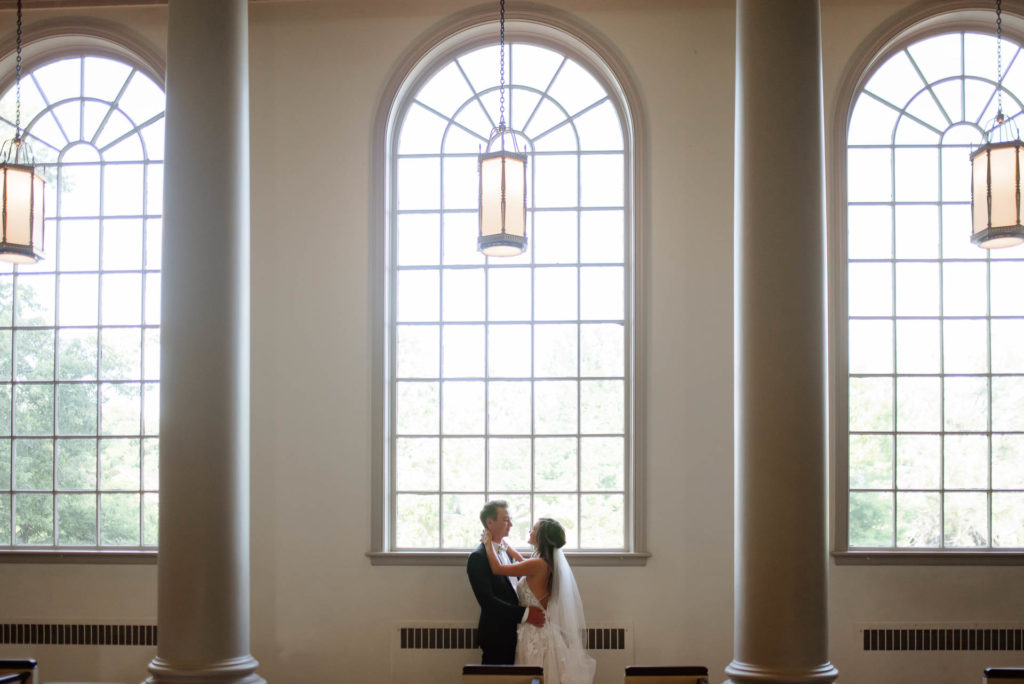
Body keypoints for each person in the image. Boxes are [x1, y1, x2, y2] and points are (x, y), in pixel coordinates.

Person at [483, 517, 597, 684]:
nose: (530, 531)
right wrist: (506, 547)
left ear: (541, 537)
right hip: (540, 629)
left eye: (533, 529)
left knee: (532, 677)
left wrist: (488, 544)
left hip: (534, 634)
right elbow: (522, 562)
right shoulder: (544, 563)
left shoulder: (537, 564)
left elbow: (497, 568)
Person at [467, 500, 546, 664]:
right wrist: (525, 614)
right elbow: (488, 602)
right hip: (497, 636)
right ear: (490, 522)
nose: (511, 523)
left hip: (518, 634)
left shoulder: (506, 551)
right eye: (505, 520)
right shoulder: (478, 557)